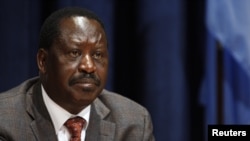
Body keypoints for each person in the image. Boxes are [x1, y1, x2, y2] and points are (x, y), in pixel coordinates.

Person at [0, 7, 155, 141]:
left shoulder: (133, 123)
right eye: (74, 53)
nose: (89, 66)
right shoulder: (5, 120)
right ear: (43, 61)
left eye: (97, 55)